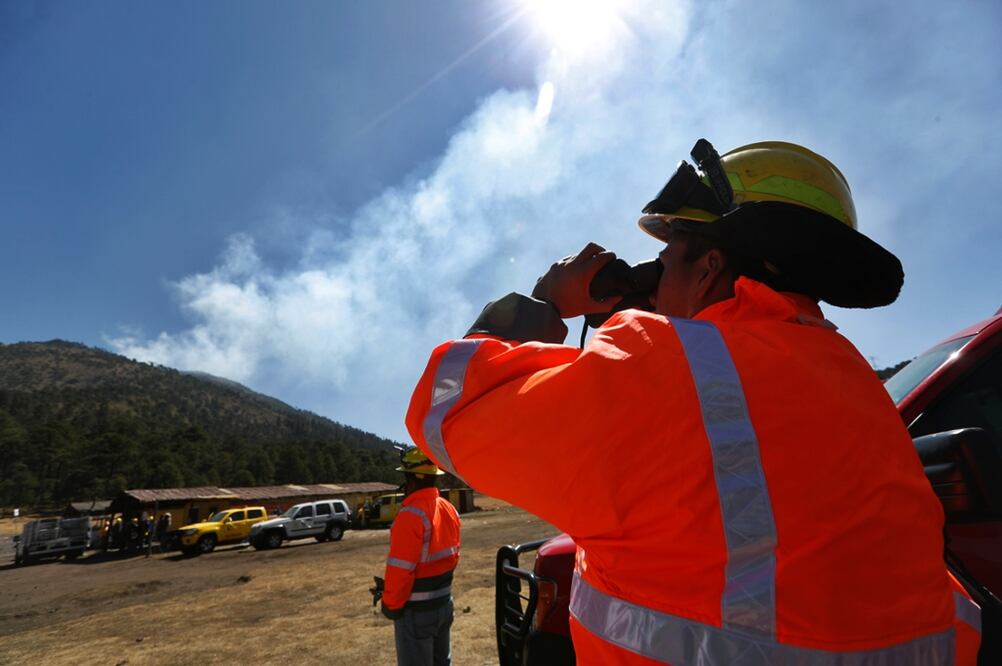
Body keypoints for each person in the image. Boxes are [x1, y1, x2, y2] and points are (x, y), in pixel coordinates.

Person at [406, 140, 981, 664]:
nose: (653, 285)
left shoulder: (667, 370)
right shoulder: (853, 380)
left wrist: (545, 306)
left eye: (666, 260)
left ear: (708, 268)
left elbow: (445, 408)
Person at [379, 447, 461, 666]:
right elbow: (453, 557)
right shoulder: (448, 509)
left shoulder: (410, 516)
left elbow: (401, 569)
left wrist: (391, 604)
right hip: (444, 605)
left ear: (411, 478)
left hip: (416, 614)